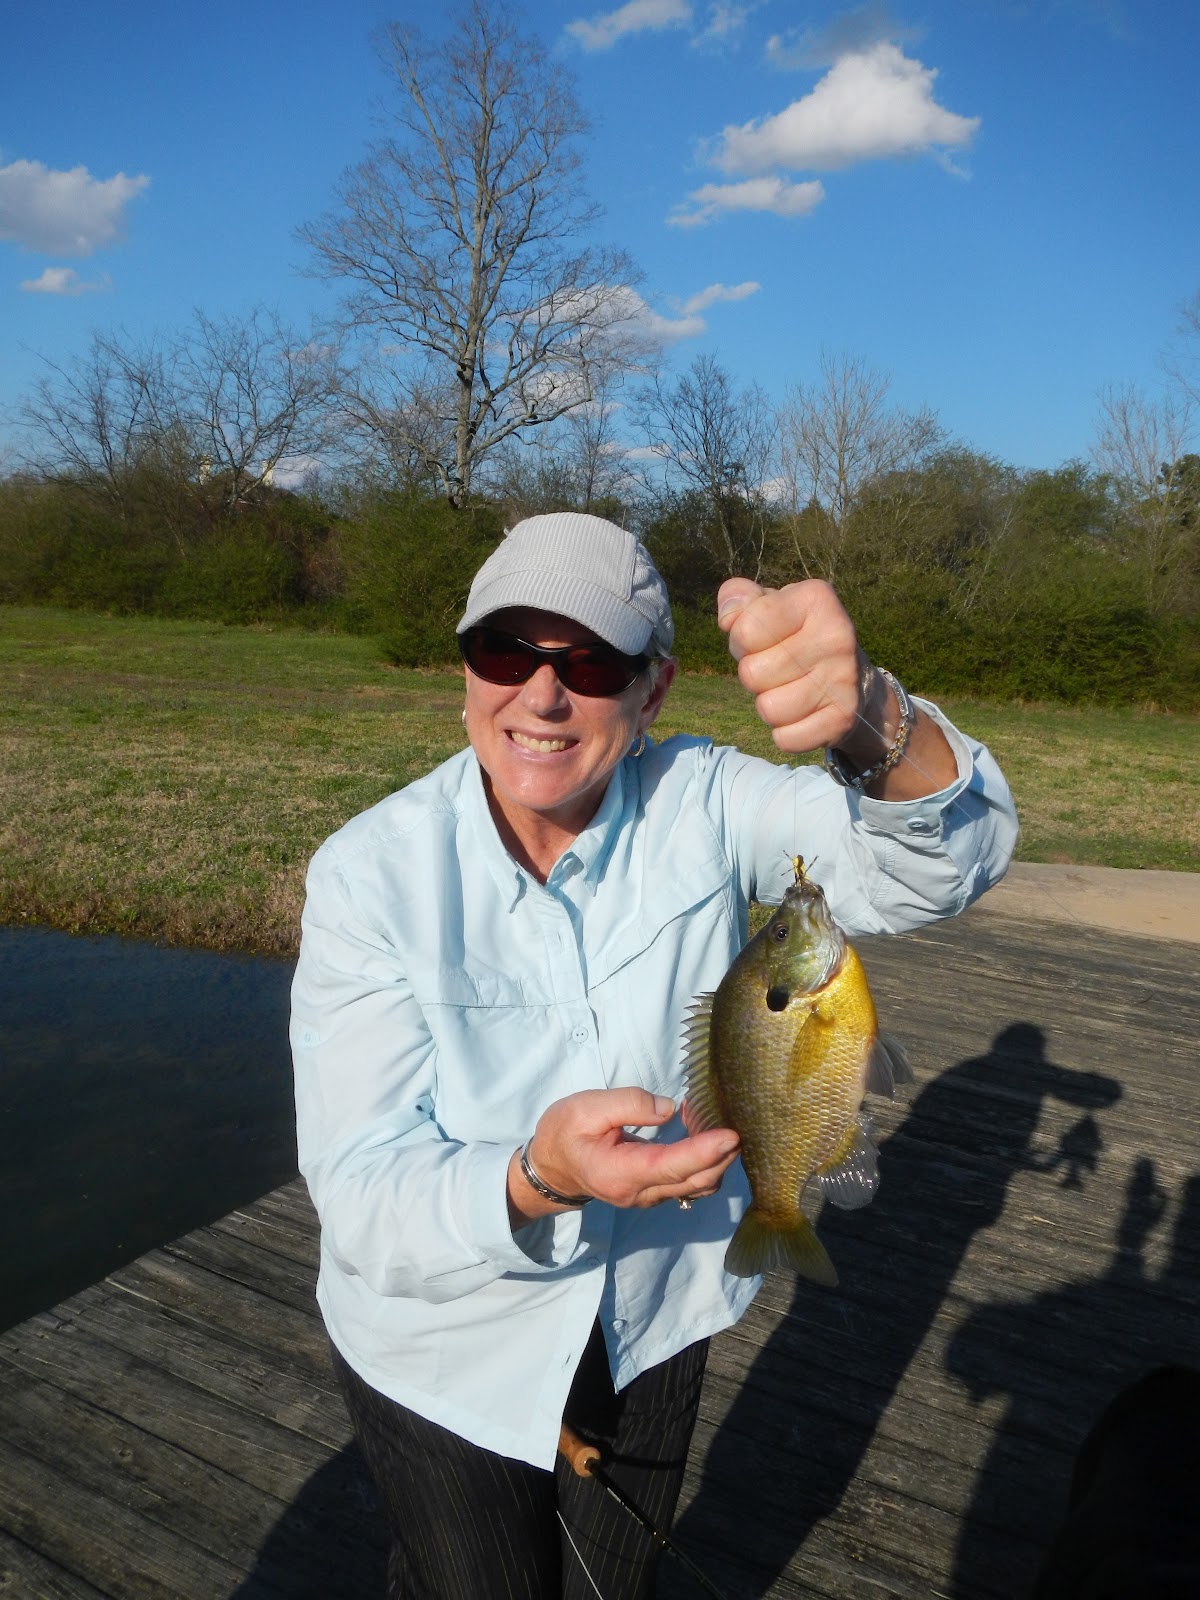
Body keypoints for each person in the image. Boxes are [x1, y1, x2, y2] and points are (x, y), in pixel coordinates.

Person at [291, 511, 1017, 1599]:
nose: (542, 694)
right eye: (507, 651)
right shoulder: (367, 875)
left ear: (653, 689)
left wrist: (872, 720)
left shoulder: (711, 801)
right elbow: (360, 1190)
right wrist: (537, 1177)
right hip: (445, 1346)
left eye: (588, 661)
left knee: (612, 1584)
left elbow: (938, 866)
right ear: (465, 672)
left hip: (656, 1306)